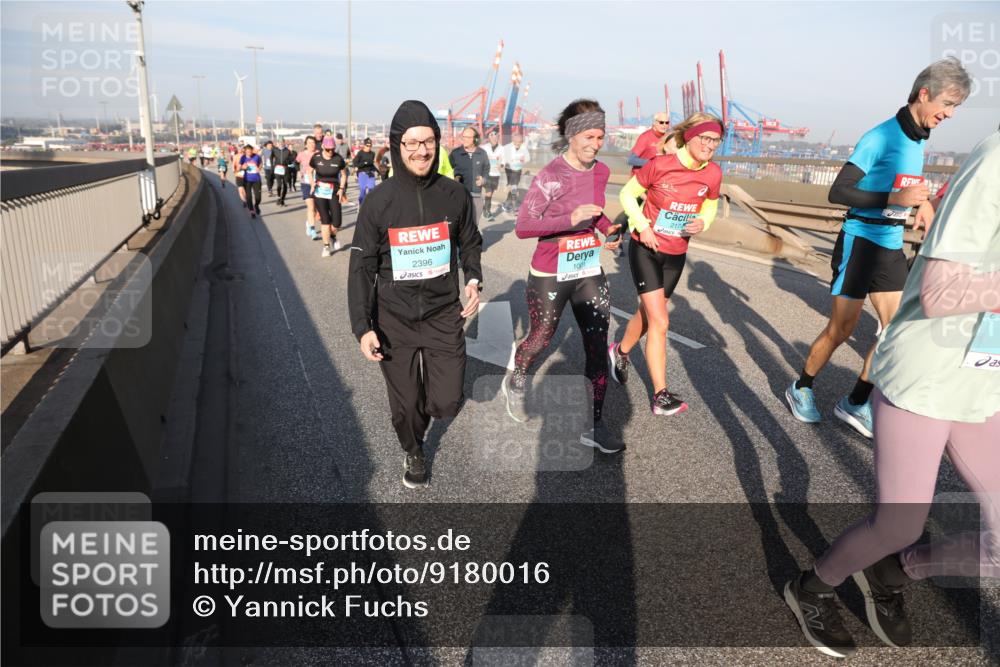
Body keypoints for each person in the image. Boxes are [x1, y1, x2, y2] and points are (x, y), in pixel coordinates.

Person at [783, 128, 1000, 659]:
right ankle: (812, 587)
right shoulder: (996, 159)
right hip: (925, 376)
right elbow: (942, 291)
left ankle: (894, 570)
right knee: (899, 521)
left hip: (984, 381)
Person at [785, 57, 971, 438]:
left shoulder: (918, 138)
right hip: (860, 240)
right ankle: (801, 387)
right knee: (841, 330)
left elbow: (905, 184)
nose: (950, 114)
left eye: (956, 107)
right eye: (947, 104)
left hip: (888, 243)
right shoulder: (881, 136)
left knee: (893, 330)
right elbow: (838, 192)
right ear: (925, 94)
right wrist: (896, 196)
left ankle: (855, 402)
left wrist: (920, 203)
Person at [348, 100, 483, 489]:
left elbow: (470, 242)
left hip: (443, 313)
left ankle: (422, 405)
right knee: (405, 406)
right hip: (394, 318)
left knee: (446, 402)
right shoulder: (379, 201)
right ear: (396, 146)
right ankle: (414, 449)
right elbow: (361, 266)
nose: (421, 150)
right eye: (411, 143)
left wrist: (473, 279)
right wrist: (362, 326)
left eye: (428, 141)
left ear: (437, 143)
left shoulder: (454, 195)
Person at [502, 99, 623, 453]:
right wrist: (568, 221)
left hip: (586, 268)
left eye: (600, 136)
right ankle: (518, 378)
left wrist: (608, 231)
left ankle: (595, 424)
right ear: (571, 135)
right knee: (540, 337)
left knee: (598, 345)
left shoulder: (600, 172)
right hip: (550, 270)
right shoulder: (551, 176)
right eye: (589, 136)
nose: (595, 143)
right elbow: (524, 227)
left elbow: (596, 214)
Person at [610, 112, 724, 416]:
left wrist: (705, 222)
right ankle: (661, 395)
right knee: (661, 321)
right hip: (646, 248)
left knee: (647, 315)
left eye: (716, 140)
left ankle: (619, 351)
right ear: (690, 136)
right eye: (705, 138)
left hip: (676, 253)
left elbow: (710, 203)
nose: (710, 145)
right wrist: (641, 225)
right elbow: (627, 193)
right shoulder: (660, 165)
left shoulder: (713, 173)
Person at [310, 136, 348, 257]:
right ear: (322, 147)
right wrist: (312, 184)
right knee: (325, 220)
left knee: (337, 222)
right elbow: (309, 171)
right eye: (328, 149)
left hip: (334, 191)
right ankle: (326, 246)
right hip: (320, 192)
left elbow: (343, 174)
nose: (330, 151)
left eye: (332, 149)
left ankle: (332, 235)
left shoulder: (338, 159)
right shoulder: (316, 158)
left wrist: (342, 188)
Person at [450, 127, 489, 221]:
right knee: (460, 223)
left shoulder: (482, 153)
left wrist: (484, 180)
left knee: (474, 225)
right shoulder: (455, 153)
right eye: (464, 137)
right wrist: (454, 179)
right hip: (460, 195)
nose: (465, 139)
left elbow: (487, 170)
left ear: (475, 139)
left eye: (468, 137)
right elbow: (447, 170)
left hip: (476, 195)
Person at [501, 132, 530, 212]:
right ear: (513, 140)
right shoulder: (507, 147)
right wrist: (502, 164)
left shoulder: (523, 147)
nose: (518, 143)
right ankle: (512, 205)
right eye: (517, 141)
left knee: (514, 186)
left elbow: (528, 158)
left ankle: (508, 203)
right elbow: (502, 158)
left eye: (520, 142)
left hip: (518, 170)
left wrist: (524, 160)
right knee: (513, 186)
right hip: (509, 170)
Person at [297, 136, 320, 240]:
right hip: (306, 183)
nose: (312, 144)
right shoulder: (301, 154)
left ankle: (308, 222)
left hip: (318, 183)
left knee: (315, 210)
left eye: (313, 142)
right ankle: (312, 229)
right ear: (306, 144)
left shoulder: (319, 153)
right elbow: (296, 163)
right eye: (309, 143)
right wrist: (298, 172)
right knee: (310, 207)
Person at [480, 130, 503, 220]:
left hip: (496, 174)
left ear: (498, 137)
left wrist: (501, 165)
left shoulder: (502, 149)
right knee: (488, 192)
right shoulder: (484, 147)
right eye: (491, 136)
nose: (494, 138)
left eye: (496, 136)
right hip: (486, 173)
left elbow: (504, 160)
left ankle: (485, 207)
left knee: (491, 193)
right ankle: (487, 211)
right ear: (489, 138)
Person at [238, 144, 263, 218]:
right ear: (245, 151)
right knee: (248, 197)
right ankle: (252, 211)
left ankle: (256, 205)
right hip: (247, 180)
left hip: (257, 179)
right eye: (247, 151)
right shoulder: (243, 158)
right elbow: (239, 168)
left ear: (252, 150)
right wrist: (243, 167)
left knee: (258, 197)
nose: (249, 152)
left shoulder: (257, 156)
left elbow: (261, 163)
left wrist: (259, 168)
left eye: (250, 151)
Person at [352, 138, 378, 206]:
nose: (369, 147)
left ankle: (369, 205)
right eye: (367, 145)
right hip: (362, 173)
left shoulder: (372, 153)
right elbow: (355, 162)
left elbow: (372, 164)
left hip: (370, 173)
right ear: (364, 145)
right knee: (363, 190)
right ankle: (361, 204)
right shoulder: (360, 153)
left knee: (372, 190)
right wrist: (362, 164)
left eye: (370, 146)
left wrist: (378, 171)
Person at [271, 138, 293, 206]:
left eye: (282, 142)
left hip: (285, 169)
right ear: (277, 143)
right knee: (279, 185)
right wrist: (273, 166)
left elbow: (291, 160)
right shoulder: (274, 150)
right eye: (279, 142)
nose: (281, 143)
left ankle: (282, 199)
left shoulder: (287, 151)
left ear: (284, 143)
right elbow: (271, 157)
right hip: (277, 169)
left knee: (285, 185)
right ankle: (278, 197)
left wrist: (288, 161)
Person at [335, 132, 352, 201]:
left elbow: (349, 155)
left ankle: (344, 193)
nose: (340, 141)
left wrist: (349, 159)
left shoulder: (346, 146)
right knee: (338, 181)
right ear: (336, 139)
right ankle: (339, 195)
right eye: (338, 139)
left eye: (341, 139)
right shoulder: (334, 146)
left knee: (345, 181)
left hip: (345, 166)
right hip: (336, 167)